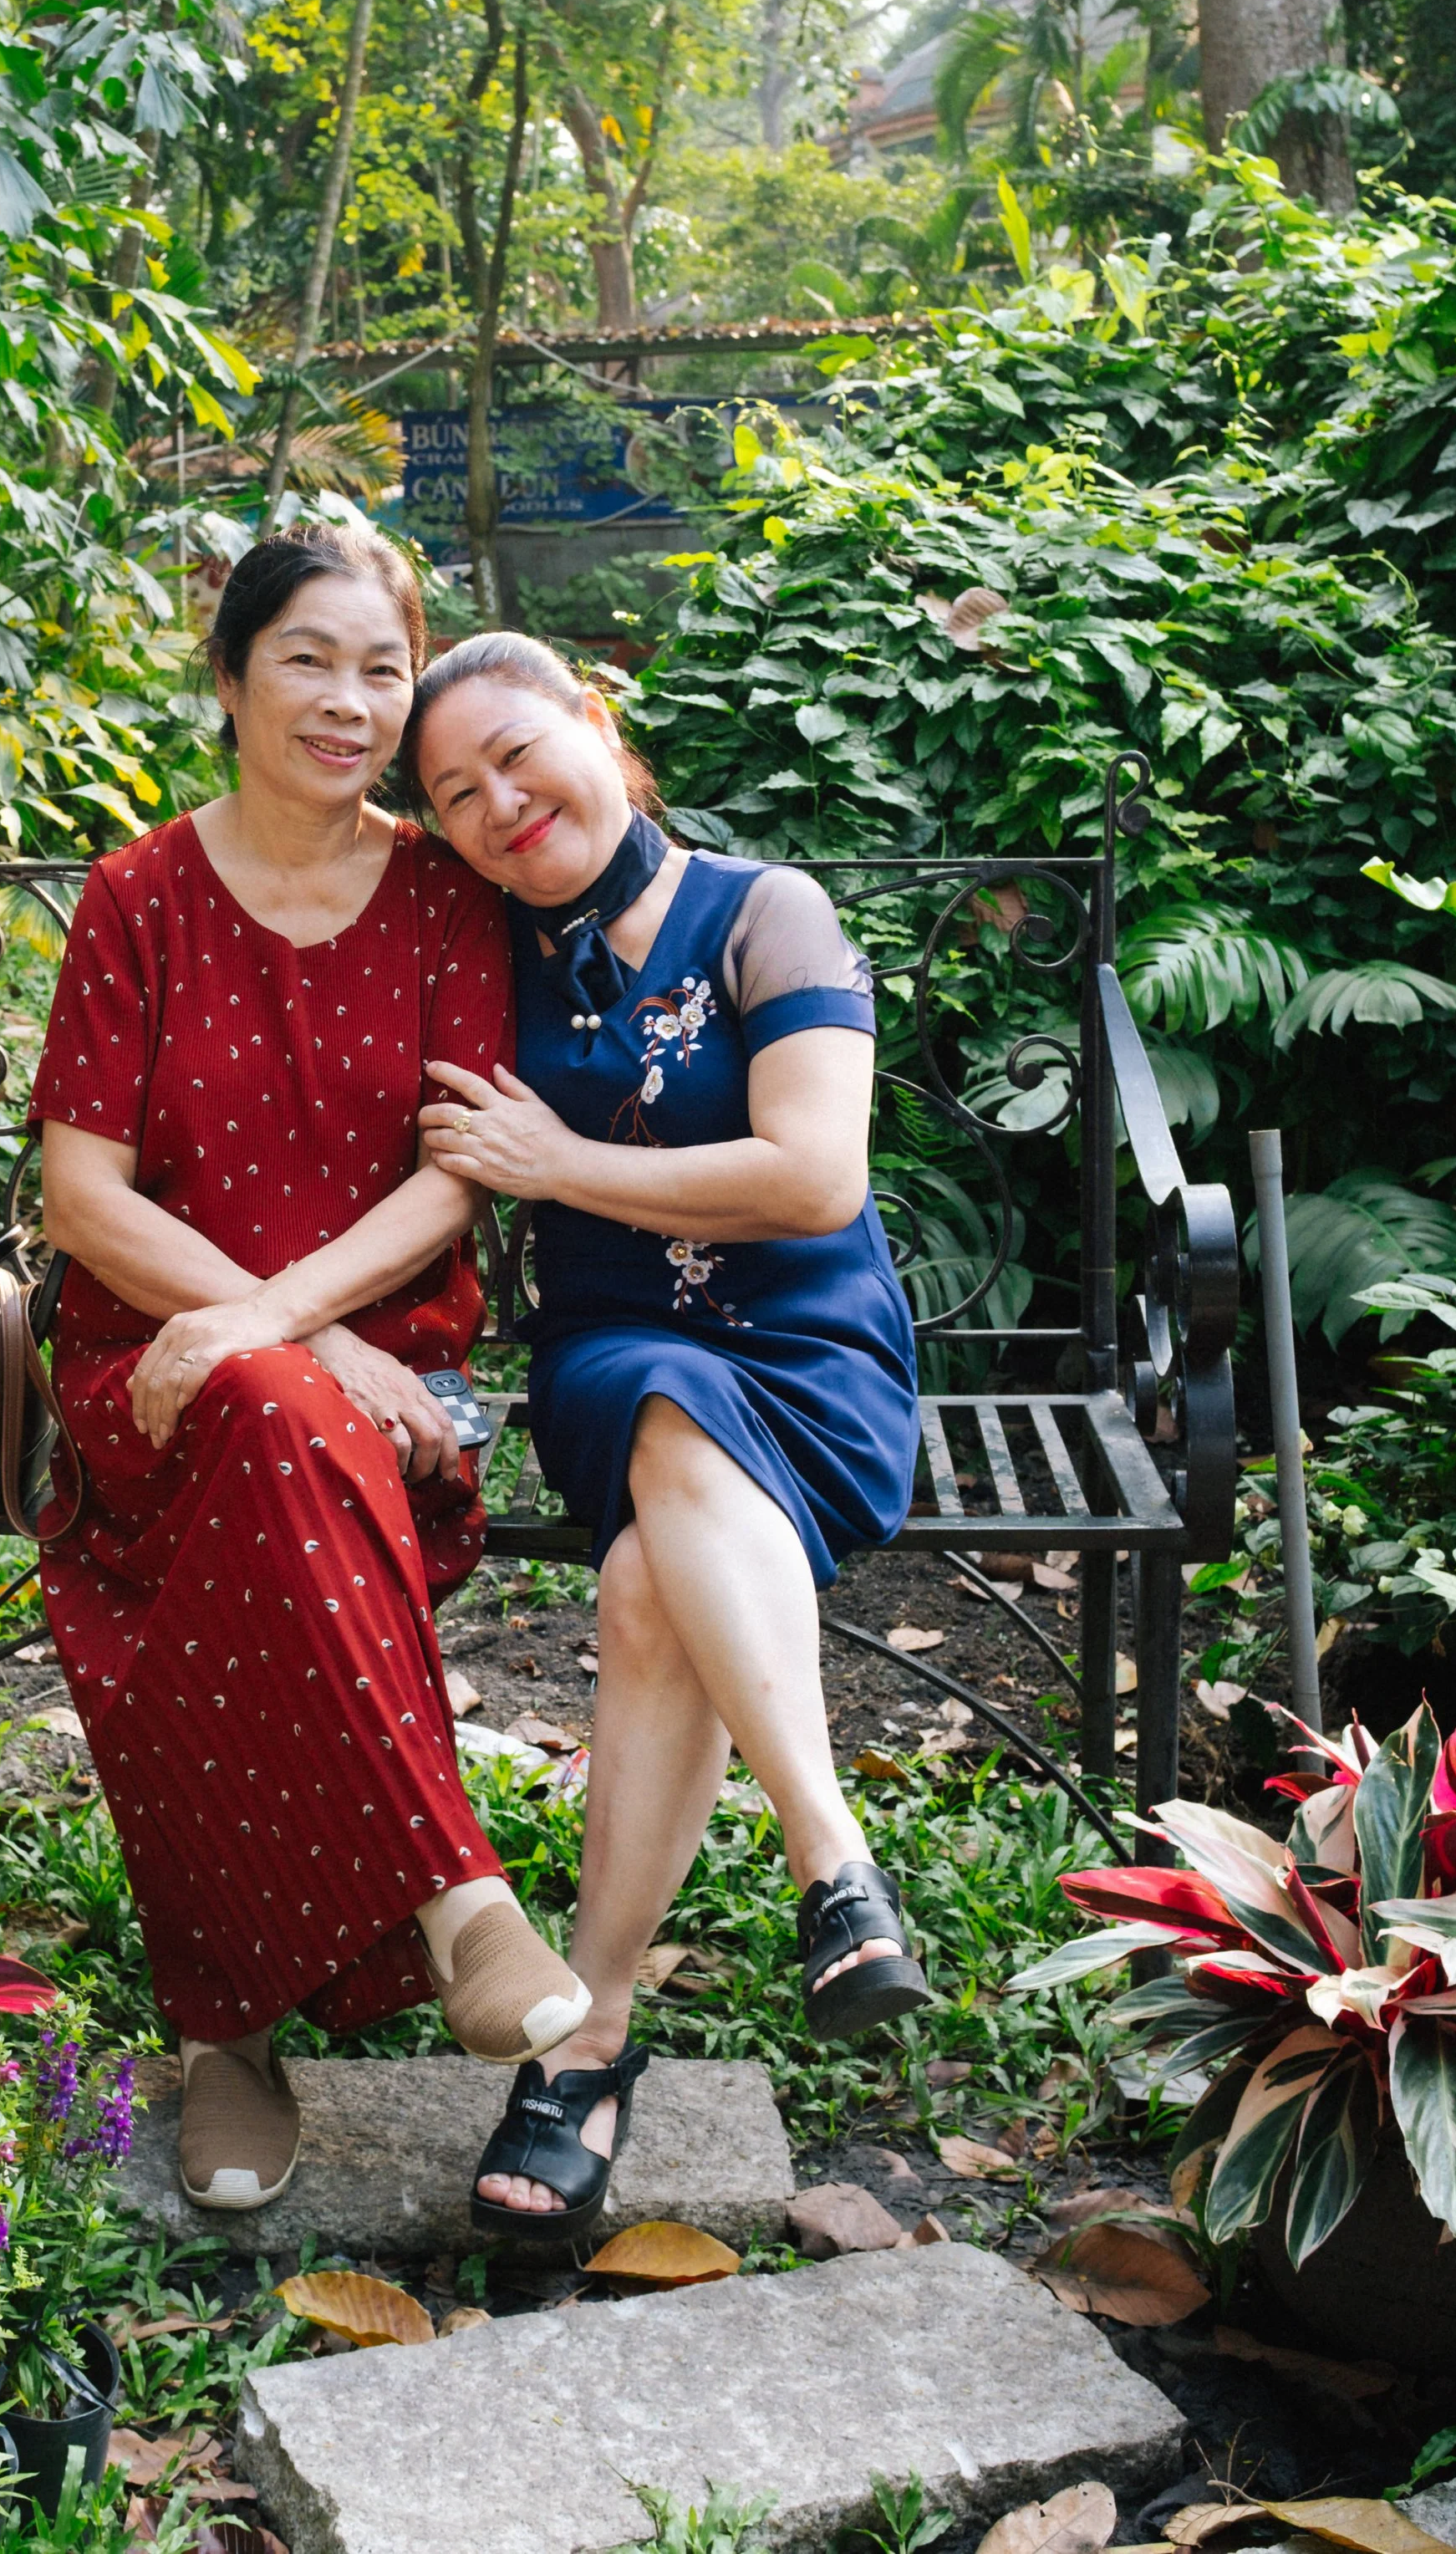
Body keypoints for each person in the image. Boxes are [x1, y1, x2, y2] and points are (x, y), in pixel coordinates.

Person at [27, 532, 590, 2217]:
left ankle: (225, 2037)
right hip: (155, 1363)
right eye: (306, 661)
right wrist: (294, 1328)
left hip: (395, 1385)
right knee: (270, 1407)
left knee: (277, 1429)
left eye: (376, 670)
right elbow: (80, 1197)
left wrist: (298, 1336)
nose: (348, 703)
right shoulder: (138, 900)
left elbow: (452, 1173)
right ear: (227, 679)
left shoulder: (437, 891)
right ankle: (456, 1903)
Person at [403, 630, 929, 2246]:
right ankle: (830, 1868)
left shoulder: (766, 911)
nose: (500, 803)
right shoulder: (475, 945)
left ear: (595, 724)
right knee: (659, 1404)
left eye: (517, 753)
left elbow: (813, 1178)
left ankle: (593, 2046)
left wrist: (557, 1164)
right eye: (455, 794)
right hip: (614, 1357)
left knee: (645, 1595)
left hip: (814, 1350)